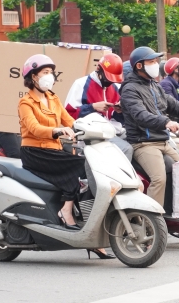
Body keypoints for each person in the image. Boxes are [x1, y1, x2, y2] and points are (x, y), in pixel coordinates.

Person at [17, 54, 115, 259]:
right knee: (80, 166)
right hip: (35, 151)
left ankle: (88, 228)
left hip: (53, 150)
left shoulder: (53, 98)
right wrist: (57, 131)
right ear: (33, 77)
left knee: (89, 170)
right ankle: (66, 210)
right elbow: (34, 128)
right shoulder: (26, 102)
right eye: (44, 73)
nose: (49, 76)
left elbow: (69, 119)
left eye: (50, 72)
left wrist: (88, 127)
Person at [121, 47, 179, 244]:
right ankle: (151, 225)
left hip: (163, 141)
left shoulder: (155, 86)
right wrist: (166, 122)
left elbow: (176, 106)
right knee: (159, 178)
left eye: (156, 61)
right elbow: (141, 116)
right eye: (152, 61)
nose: (156, 65)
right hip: (143, 144)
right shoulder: (129, 89)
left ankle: (178, 220)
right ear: (139, 66)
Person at [64, 53, 133, 161]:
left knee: (137, 143)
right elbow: (68, 115)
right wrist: (93, 107)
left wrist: (119, 111)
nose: (110, 82)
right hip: (93, 137)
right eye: (108, 78)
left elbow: (119, 120)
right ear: (98, 70)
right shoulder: (80, 84)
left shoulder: (115, 87)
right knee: (126, 149)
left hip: (115, 133)